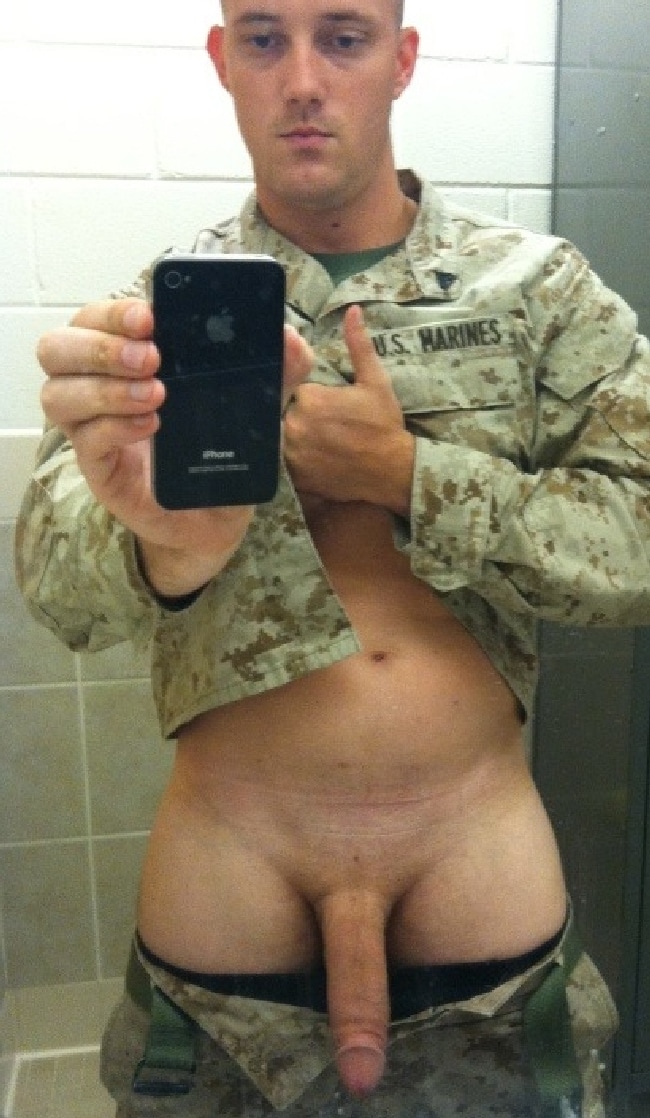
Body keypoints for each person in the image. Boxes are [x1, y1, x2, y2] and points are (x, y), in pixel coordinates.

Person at [14, 0, 650, 1115]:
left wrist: (411, 476)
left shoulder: (538, 291)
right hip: (227, 907)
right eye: (264, 39)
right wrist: (162, 546)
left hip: (480, 893)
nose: (303, 79)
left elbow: (639, 544)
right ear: (224, 61)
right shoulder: (154, 319)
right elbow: (58, 597)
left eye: (344, 37)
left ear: (401, 59)